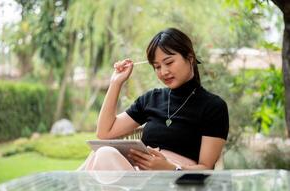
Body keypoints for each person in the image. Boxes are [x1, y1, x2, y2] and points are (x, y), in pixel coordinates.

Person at [79, 27, 229, 171]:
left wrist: (170, 168)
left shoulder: (213, 106)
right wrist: (116, 83)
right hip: (137, 175)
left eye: (169, 62)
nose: (163, 72)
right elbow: (105, 132)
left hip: (178, 182)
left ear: (190, 58)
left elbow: (206, 168)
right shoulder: (152, 99)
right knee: (105, 153)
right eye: (157, 67)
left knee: (102, 158)